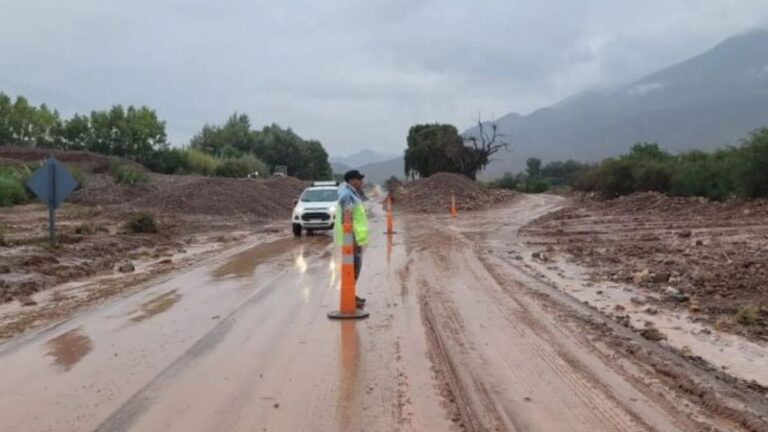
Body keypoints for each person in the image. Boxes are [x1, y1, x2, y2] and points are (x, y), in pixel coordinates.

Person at [335, 170, 369, 309]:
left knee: (355, 268)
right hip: (351, 240)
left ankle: (352, 295)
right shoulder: (347, 195)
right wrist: (351, 240)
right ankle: (349, 298)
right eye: (359, 179)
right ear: (352, 181)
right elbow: (346, 220)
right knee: (352, 268)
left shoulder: (352, 194)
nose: (362, 182)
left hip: (355, 239)